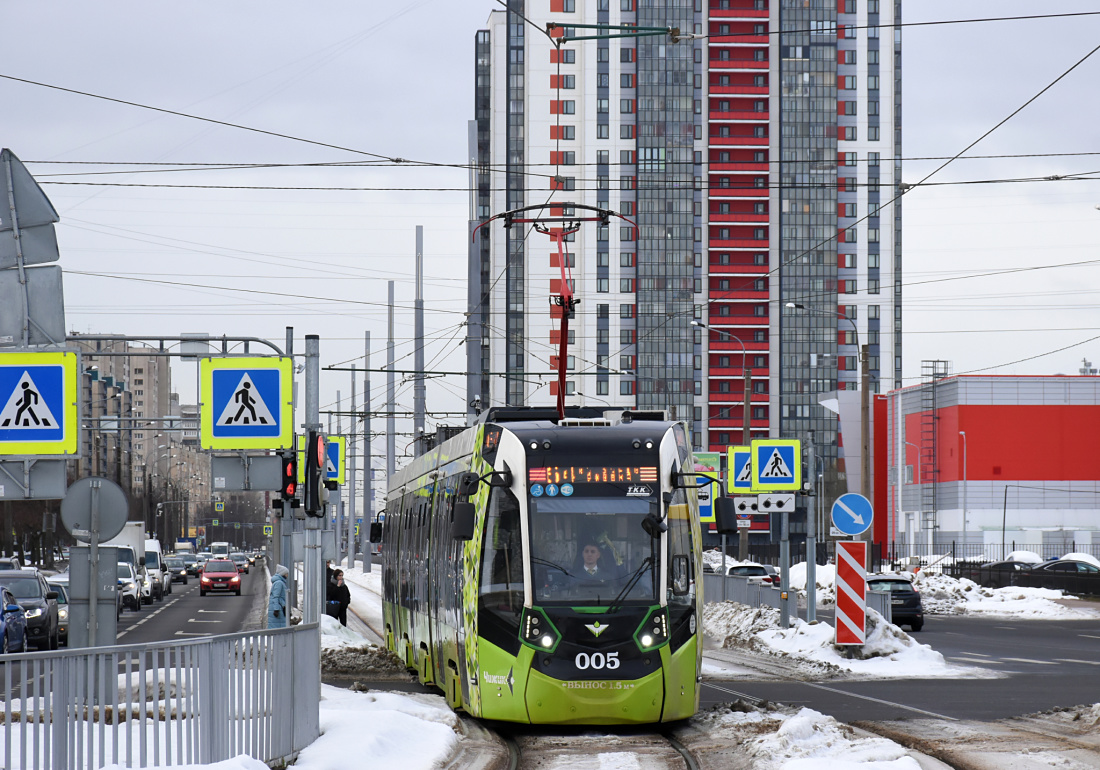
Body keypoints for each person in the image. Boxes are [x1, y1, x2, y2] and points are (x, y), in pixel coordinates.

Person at [268, 565, 289, 629]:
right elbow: (276, 597)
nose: (287, 575)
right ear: (283, 574)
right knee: (279, 630)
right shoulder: (279, 583)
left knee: (277, 629)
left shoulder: (279, 582)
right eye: (286, 573)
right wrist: (276, 609)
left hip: (279, 608)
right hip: (278, 610)